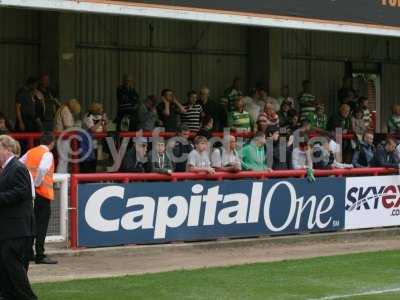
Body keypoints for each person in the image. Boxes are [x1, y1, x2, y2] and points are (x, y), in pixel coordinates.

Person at [0, 135, 37, 300]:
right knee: (6, 269)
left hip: (17, 230)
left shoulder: (17, 168)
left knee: (14, 269)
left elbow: (21, 192)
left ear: (7, 149)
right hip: (9, 229)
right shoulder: (8, 169)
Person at [20, 133, 57, 265]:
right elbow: (42, 169)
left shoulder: (31, 151)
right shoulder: (48, 154)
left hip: (30, 194)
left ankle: (28, 252)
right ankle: (40, 254)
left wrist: (28, 183)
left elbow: (19, 165)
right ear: (52, 142)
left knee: (31, 223)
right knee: (41, 225)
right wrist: (36, 183)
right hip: (42, 193)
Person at [54, 99, 82, 173]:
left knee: (63, 160)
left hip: (60, 137)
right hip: (63, 138)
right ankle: (60, 182)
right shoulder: (66, 111)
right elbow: (68, 126)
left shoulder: (62, 108)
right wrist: (76, 128)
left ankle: (61, 180)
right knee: (63, 160)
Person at [80, 102, 108, 173]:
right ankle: (85, 180)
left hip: (96, 143)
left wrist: (105, 122)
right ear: (96, 109)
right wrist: (101, 121)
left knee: (94, 163)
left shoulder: (100, 116)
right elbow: (92, 129)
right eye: (101, 108)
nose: (102, 110)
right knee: (87, 163)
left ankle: (92, 179)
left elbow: (105, 130)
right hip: (86, 144)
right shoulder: (87, 116)